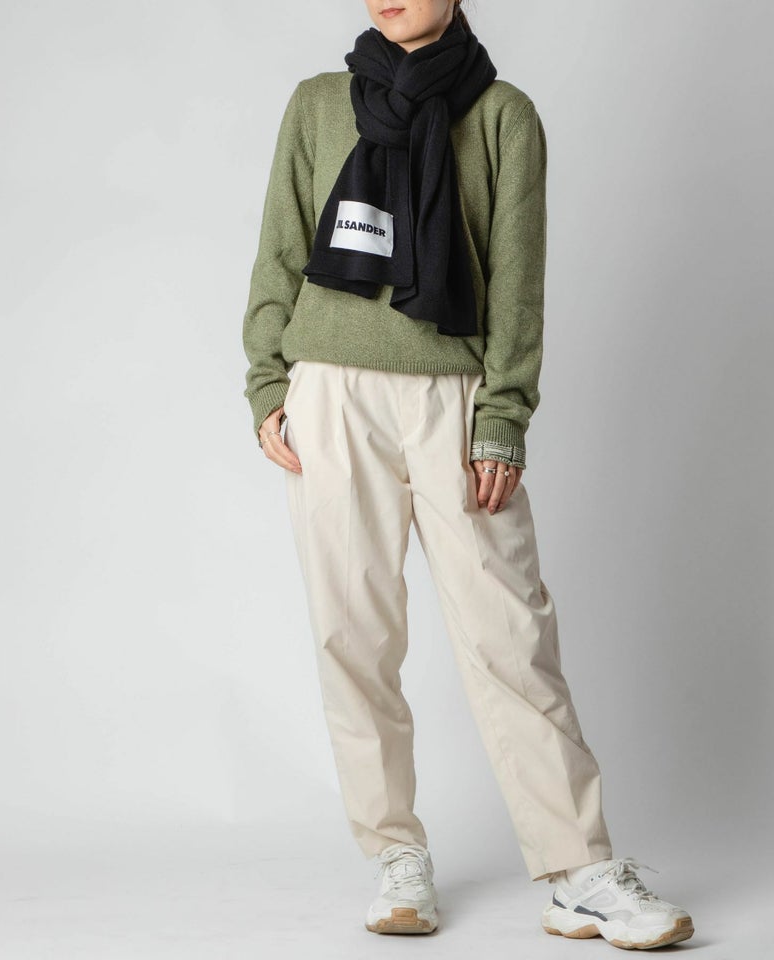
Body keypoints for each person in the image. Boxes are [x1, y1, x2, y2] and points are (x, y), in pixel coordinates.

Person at [242, 0, 694, 949]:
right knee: (352, 634)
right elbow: (280, 250)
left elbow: (518, 283)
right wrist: (269, 384)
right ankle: (395, 853)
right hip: (330, 394)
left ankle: (578, 870)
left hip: (454, 394)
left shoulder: (501, 114)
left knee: (509, 633)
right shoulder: (319, 103)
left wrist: (503, 417)